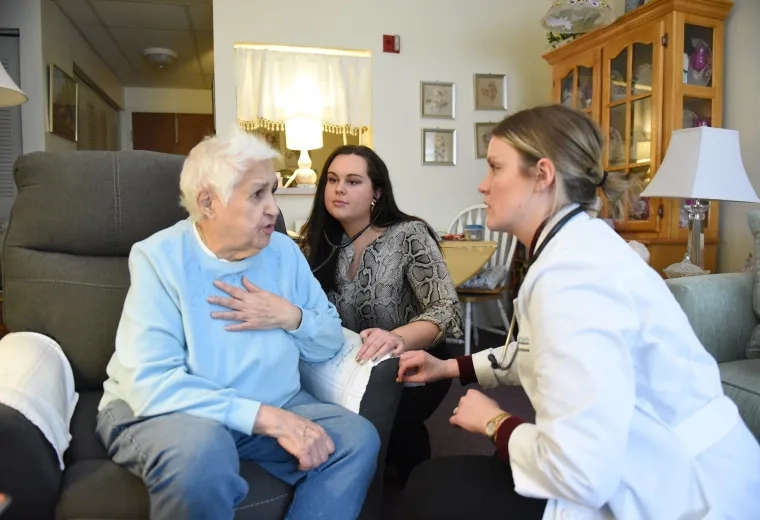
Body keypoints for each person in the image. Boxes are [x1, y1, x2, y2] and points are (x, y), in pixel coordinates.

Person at [396, 104, 760, 519]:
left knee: (431, 491)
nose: (483, 185)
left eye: (495, 168)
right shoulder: (580, 247)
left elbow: (582, 472)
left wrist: (495, 422)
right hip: (660, 463)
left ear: (542, 175)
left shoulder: (571, 278)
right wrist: (448, 369)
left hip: (681, 493)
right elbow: (541, 352)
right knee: (435, 484)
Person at [96, 129, 380, 520]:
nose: (274, 210)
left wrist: (289, 316)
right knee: (202, 453)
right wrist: (267, 418)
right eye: (257, 194)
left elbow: (330, 341)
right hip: (172, 411)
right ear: (208, 203)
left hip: (274, 401)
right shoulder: (159, 257)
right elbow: (150, 383)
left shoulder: (283, 252)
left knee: (356, 439)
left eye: (273, 192)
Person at [215, 144, 462, 483]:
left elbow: (445, 308)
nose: (339, 189)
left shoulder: (408, 235)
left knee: (393, 438)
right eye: (332, 180)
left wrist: (397, 338)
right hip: (346, 363)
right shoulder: (316, 243)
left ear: (377, 192)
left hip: (414, 364)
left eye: (353, 181)